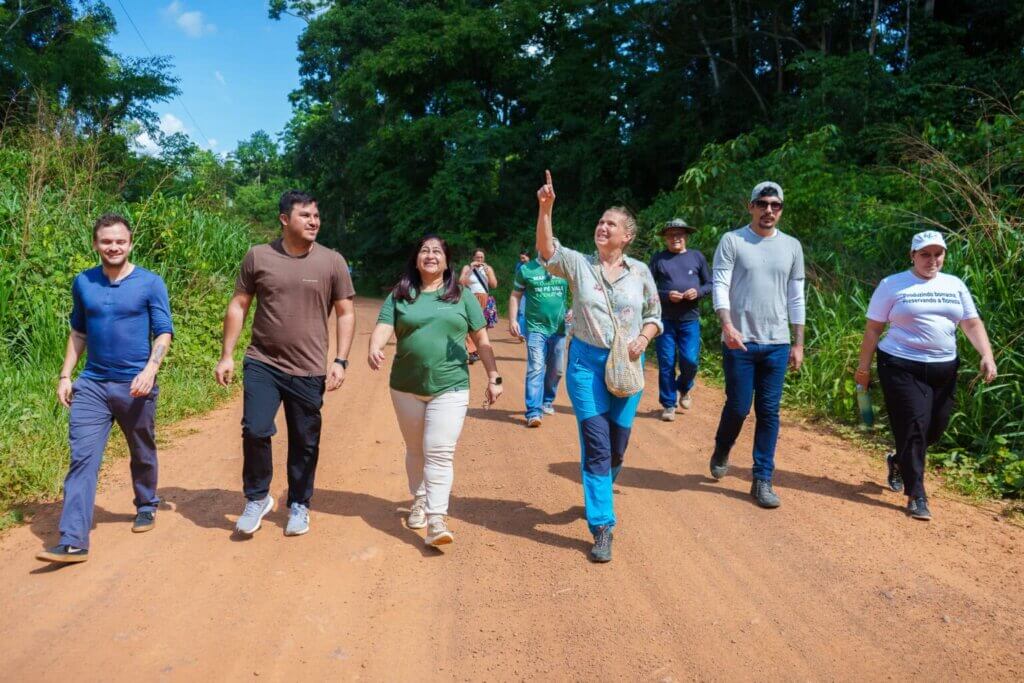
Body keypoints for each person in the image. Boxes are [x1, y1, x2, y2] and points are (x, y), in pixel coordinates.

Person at [535, 170, 662, 563]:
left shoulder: (640, 272)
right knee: (596, 445)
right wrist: (546, 209)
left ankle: (601, 489)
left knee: (617, 449)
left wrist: (643, 338)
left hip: (627, 365)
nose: (603, 227)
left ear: (627, 236)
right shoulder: (579, 265)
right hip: (586, 365)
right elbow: (547, 252)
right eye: (601, 221)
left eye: (612, 223)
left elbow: (655, 315)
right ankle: (603, 526)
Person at [215, 190, 356, 537]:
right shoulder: (258, 257)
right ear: (284, 220)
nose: (314, 221)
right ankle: (258, 497)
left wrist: (340, 360)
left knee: (304, 441)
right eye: (305, 215)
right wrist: (227, 354)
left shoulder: (332, 261)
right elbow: (239, 304)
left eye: (316, 216)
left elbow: (346, 311)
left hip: (309, 367)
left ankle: (299, 503)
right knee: (256, 428)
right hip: (263, 361)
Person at [37, 214, 173, 564]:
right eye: (106, 241)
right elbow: (79, 332)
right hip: (93, 384)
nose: (113, 247)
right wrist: (66, 375)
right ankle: (73, 541)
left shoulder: (150, 283)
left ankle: (146, 503)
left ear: (130, 244)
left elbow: (163, 332)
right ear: (96, 244)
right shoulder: (84, 282)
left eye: (120, 241)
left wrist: (150, 370)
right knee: (82, 458)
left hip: (135, 386)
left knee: (141, 450)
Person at [368, 235, 503, 547]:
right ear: (416, 259)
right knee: (417, 450)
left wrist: (493, 375)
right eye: (424, 251)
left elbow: (482, 340)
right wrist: (374, 346)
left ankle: (436, 519)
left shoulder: (462, 295)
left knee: (439, 452)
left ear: (447, 260)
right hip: (405, 386)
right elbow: (384, 327)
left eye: (436, 251)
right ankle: (419, 497)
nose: (430, 255)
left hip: (451, 385)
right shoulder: (401, 293)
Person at [856, 230, 997, 521]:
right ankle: (916, 494)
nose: (932, 260)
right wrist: (863, 369)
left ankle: (898, 460)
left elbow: (970, 323)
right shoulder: (892, 285)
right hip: (900, 365)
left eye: (937, 254)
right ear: (912, 255)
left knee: (934, 428)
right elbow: (873, 329)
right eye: (925, 254)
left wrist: (987, 354)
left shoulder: (954, 284)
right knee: (915, 426)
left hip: (944, 368)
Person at [709, 181, 805, 509]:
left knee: (768, 411)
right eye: (762, 203)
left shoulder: (792, 246)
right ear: (750, 206)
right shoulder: (732, 241)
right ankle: (723, 447)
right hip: (740, 341)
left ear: (781, 210)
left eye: (775, 205)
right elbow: (720, 284)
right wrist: (727, 325)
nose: (768, 210)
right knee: (738, 407)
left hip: (777, 343)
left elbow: (796, 295)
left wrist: (798, 342)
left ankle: (762, 478)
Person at [649, 218, 712, 421]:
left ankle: (684, 387)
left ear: (685, 236)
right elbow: (647, 288)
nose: (675, 238)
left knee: (690, 360)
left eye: (679, 234)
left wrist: (699, 291)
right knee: (666, 362)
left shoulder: (697, 257)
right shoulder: (659, 259)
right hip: (665, 320)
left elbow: (710, 283)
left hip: (689, 320)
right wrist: (667, 295)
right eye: (671, 235)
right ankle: (668, 404)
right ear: (665, 239)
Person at [509, 251, 570, 427]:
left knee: (557, 370)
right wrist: (513, 320)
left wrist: (573, 309)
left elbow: (581, 291)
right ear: (538, 246)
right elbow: (515, 295)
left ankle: (547, 401)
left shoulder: (564, 268)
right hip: (535, 328)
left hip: (559, 328)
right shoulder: (527, 269)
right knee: (536, 367)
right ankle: (533, 412)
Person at [459, 248, 498, 363]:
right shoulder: (467, 268)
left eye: (481, 257)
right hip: (470, 298)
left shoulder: (488, 269)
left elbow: (494, 285)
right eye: (477, 257)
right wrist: (470, 269)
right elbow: (461, 282)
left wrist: (488, 273)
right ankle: (472, 352)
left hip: (484, 298)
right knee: (469, 324)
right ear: (473, 258)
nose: (479, 259)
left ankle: (479, 349)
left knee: (481, 325)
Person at [513, 250, 531, 342]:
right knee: (521, 312)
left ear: (529, 257)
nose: (522, 260)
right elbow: (517, 279)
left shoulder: (533, 266)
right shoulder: (519, 266)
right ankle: (521, 333)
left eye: (524, 258)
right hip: (522, 293)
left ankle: (527, 331)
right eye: (521, 258)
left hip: (532, 293)